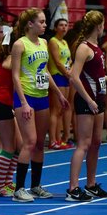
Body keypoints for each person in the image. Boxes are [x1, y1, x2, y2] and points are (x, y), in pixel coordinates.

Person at [67, 11, 107, 201]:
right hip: (87, 100)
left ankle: (91, 184)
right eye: (103, 24)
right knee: (83, 144)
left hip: (98, 99)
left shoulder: (96, 47)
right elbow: (74, 77)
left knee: (96, 143)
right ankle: (73, 188)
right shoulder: (83, 48)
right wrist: (89, 99)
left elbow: (95, 74)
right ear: (98, 26)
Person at [11, 8, 69, 202]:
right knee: (29, 141)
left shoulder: (44, 43)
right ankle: (19, 189)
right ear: (30, 24)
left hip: (42, 96)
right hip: (25, 97)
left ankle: (36, 186)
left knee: (39, 144)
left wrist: (59, 93)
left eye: (45, 22)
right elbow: (15, 76)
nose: (45, 25)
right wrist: (24, 103)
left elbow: (44, 72)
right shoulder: (20, 44)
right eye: (42, 22)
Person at [0, 28, 22, 196]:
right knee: (9, 147)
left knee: (19, 146)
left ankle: (8, 182)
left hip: (7, 104)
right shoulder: (9, 59)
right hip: (2, 105)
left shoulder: (6, 59)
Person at [47, 18, 74, 150]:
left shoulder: (65, 42)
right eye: (61, 25)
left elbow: (68, 60)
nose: (64, 27)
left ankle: (59, 139)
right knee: (55, 110)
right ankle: (52, 140)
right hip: (57, 76)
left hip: (65, 77)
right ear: (55, 27)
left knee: (62, 110)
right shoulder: (53, 41)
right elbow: (57, 62)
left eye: (66, 25)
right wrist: (68, 74)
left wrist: (71, 71)